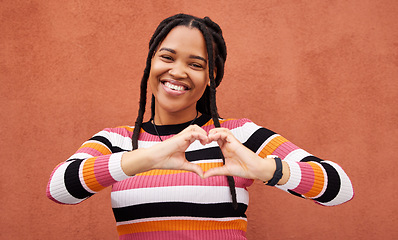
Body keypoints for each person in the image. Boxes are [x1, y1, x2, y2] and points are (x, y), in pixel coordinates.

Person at [46, 13, 354, 239]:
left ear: (211, 77)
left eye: (195, 64)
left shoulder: (237, 136)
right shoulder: (117, 141)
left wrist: (265, 170)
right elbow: (59, 188)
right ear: (151, 63)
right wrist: (148, 157)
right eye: (167, 57)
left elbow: (339, 188)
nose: (177, 72)